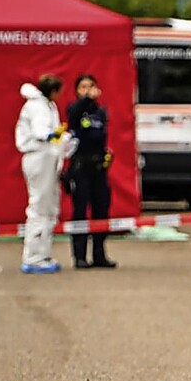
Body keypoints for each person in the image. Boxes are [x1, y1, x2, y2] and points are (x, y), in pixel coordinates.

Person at [15, 75, 69, 274]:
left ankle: (41, 254)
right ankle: (34, 257)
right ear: (53, 91)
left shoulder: (46, 105)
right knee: (40, 206)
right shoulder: (38, 106)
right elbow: (41, 131)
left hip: (45, 156)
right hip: (39, 157)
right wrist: (56, 135)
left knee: (48, 206)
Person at [65, 73, 117, 269]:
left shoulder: (100, 111)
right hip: (80, 167)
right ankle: (79, 256)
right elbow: (74, 116)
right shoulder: (75, 109)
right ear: (77, 91)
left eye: (91, 86)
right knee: (80, 212)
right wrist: (86, 99)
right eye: (83, 87)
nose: (88, 90)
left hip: (98, 168)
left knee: (101, 210)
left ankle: (99, 254)